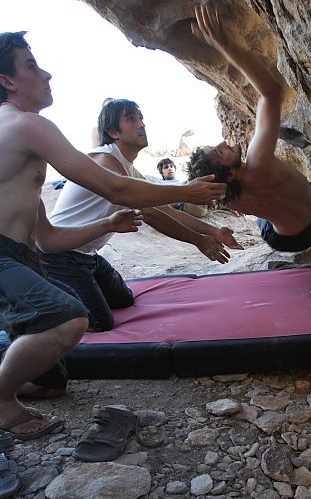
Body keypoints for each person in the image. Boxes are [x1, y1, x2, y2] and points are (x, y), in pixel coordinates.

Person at [0, 31, 226, 441]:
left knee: (52, 384)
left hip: (23, 256)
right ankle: (1, 401)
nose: (46, 74)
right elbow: (119, 191)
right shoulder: (26, 125)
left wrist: (107, 225)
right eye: (31, 66)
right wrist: (187, 191)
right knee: (70, 318)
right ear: (7, 81)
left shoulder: (21, 152)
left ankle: (12, 355)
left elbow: (48, 240)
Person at [42, 98, 243, 331]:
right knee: (100, 322)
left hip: (87, 256)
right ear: (113, 132)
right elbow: (150, 213)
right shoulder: (105, 161)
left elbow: (163, 209)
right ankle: (49, 291)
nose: (141, 124)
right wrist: (191, 213)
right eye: (131, 119)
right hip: (59, 255)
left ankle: (73, 289)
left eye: (141, 118)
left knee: (123, 299)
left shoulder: (127, 167)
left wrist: (214, 231)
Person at [187, 5, 311, 253]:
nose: (223, 143)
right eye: (219, 152)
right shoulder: (258, 160)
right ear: (230, 174)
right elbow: (270, 93)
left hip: (288, 242)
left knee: (263, 218)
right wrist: (226, 44)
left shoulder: (226, 196)